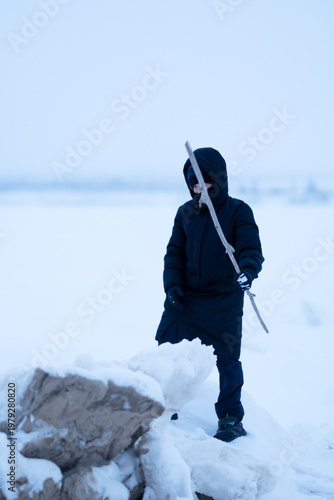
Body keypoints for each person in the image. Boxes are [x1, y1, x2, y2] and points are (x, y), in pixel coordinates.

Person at [155, 147, 264, 442]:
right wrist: (172, 287)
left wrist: (247, 270)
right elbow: (174, 254)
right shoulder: (185, 213)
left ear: (220, 180)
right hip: (187, 297)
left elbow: (251, 249)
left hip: (224, 299)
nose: (199, 188)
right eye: (193, 183)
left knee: (227, 360)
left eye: (205, 182)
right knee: (166, 347)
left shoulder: (239, 211)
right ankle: (165, 406)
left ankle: (230, 418)